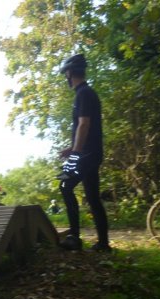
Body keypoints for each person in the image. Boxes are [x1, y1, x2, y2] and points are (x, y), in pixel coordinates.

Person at [57, 53, 111, 252]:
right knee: (92, 197)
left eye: (66, 74)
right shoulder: (87, 93)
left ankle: (74, 238)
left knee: (65, 186)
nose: (66, 78)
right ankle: (103, 244)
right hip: (91, 152)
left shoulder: (83, 93)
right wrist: (72, 148)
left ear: (70, 73)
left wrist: (76, 153)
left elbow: (84, 124)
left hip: (86, 154)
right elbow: (87, 127)